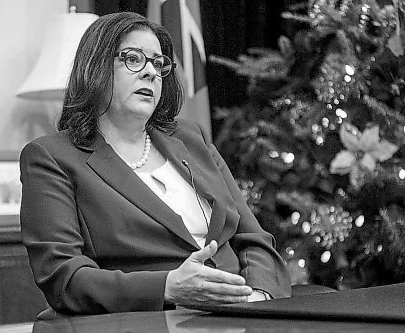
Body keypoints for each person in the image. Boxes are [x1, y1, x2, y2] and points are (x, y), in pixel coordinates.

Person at [20, 11, 292, 315]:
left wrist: (260, 296)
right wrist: (168, 287)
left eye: (158, 63)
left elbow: (253, 239)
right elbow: (63, 277)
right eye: (134, 59)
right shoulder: (52, 156)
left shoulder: (191, 139)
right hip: (149, 320)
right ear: (95, 66)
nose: (150, 72)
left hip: (244, 314)